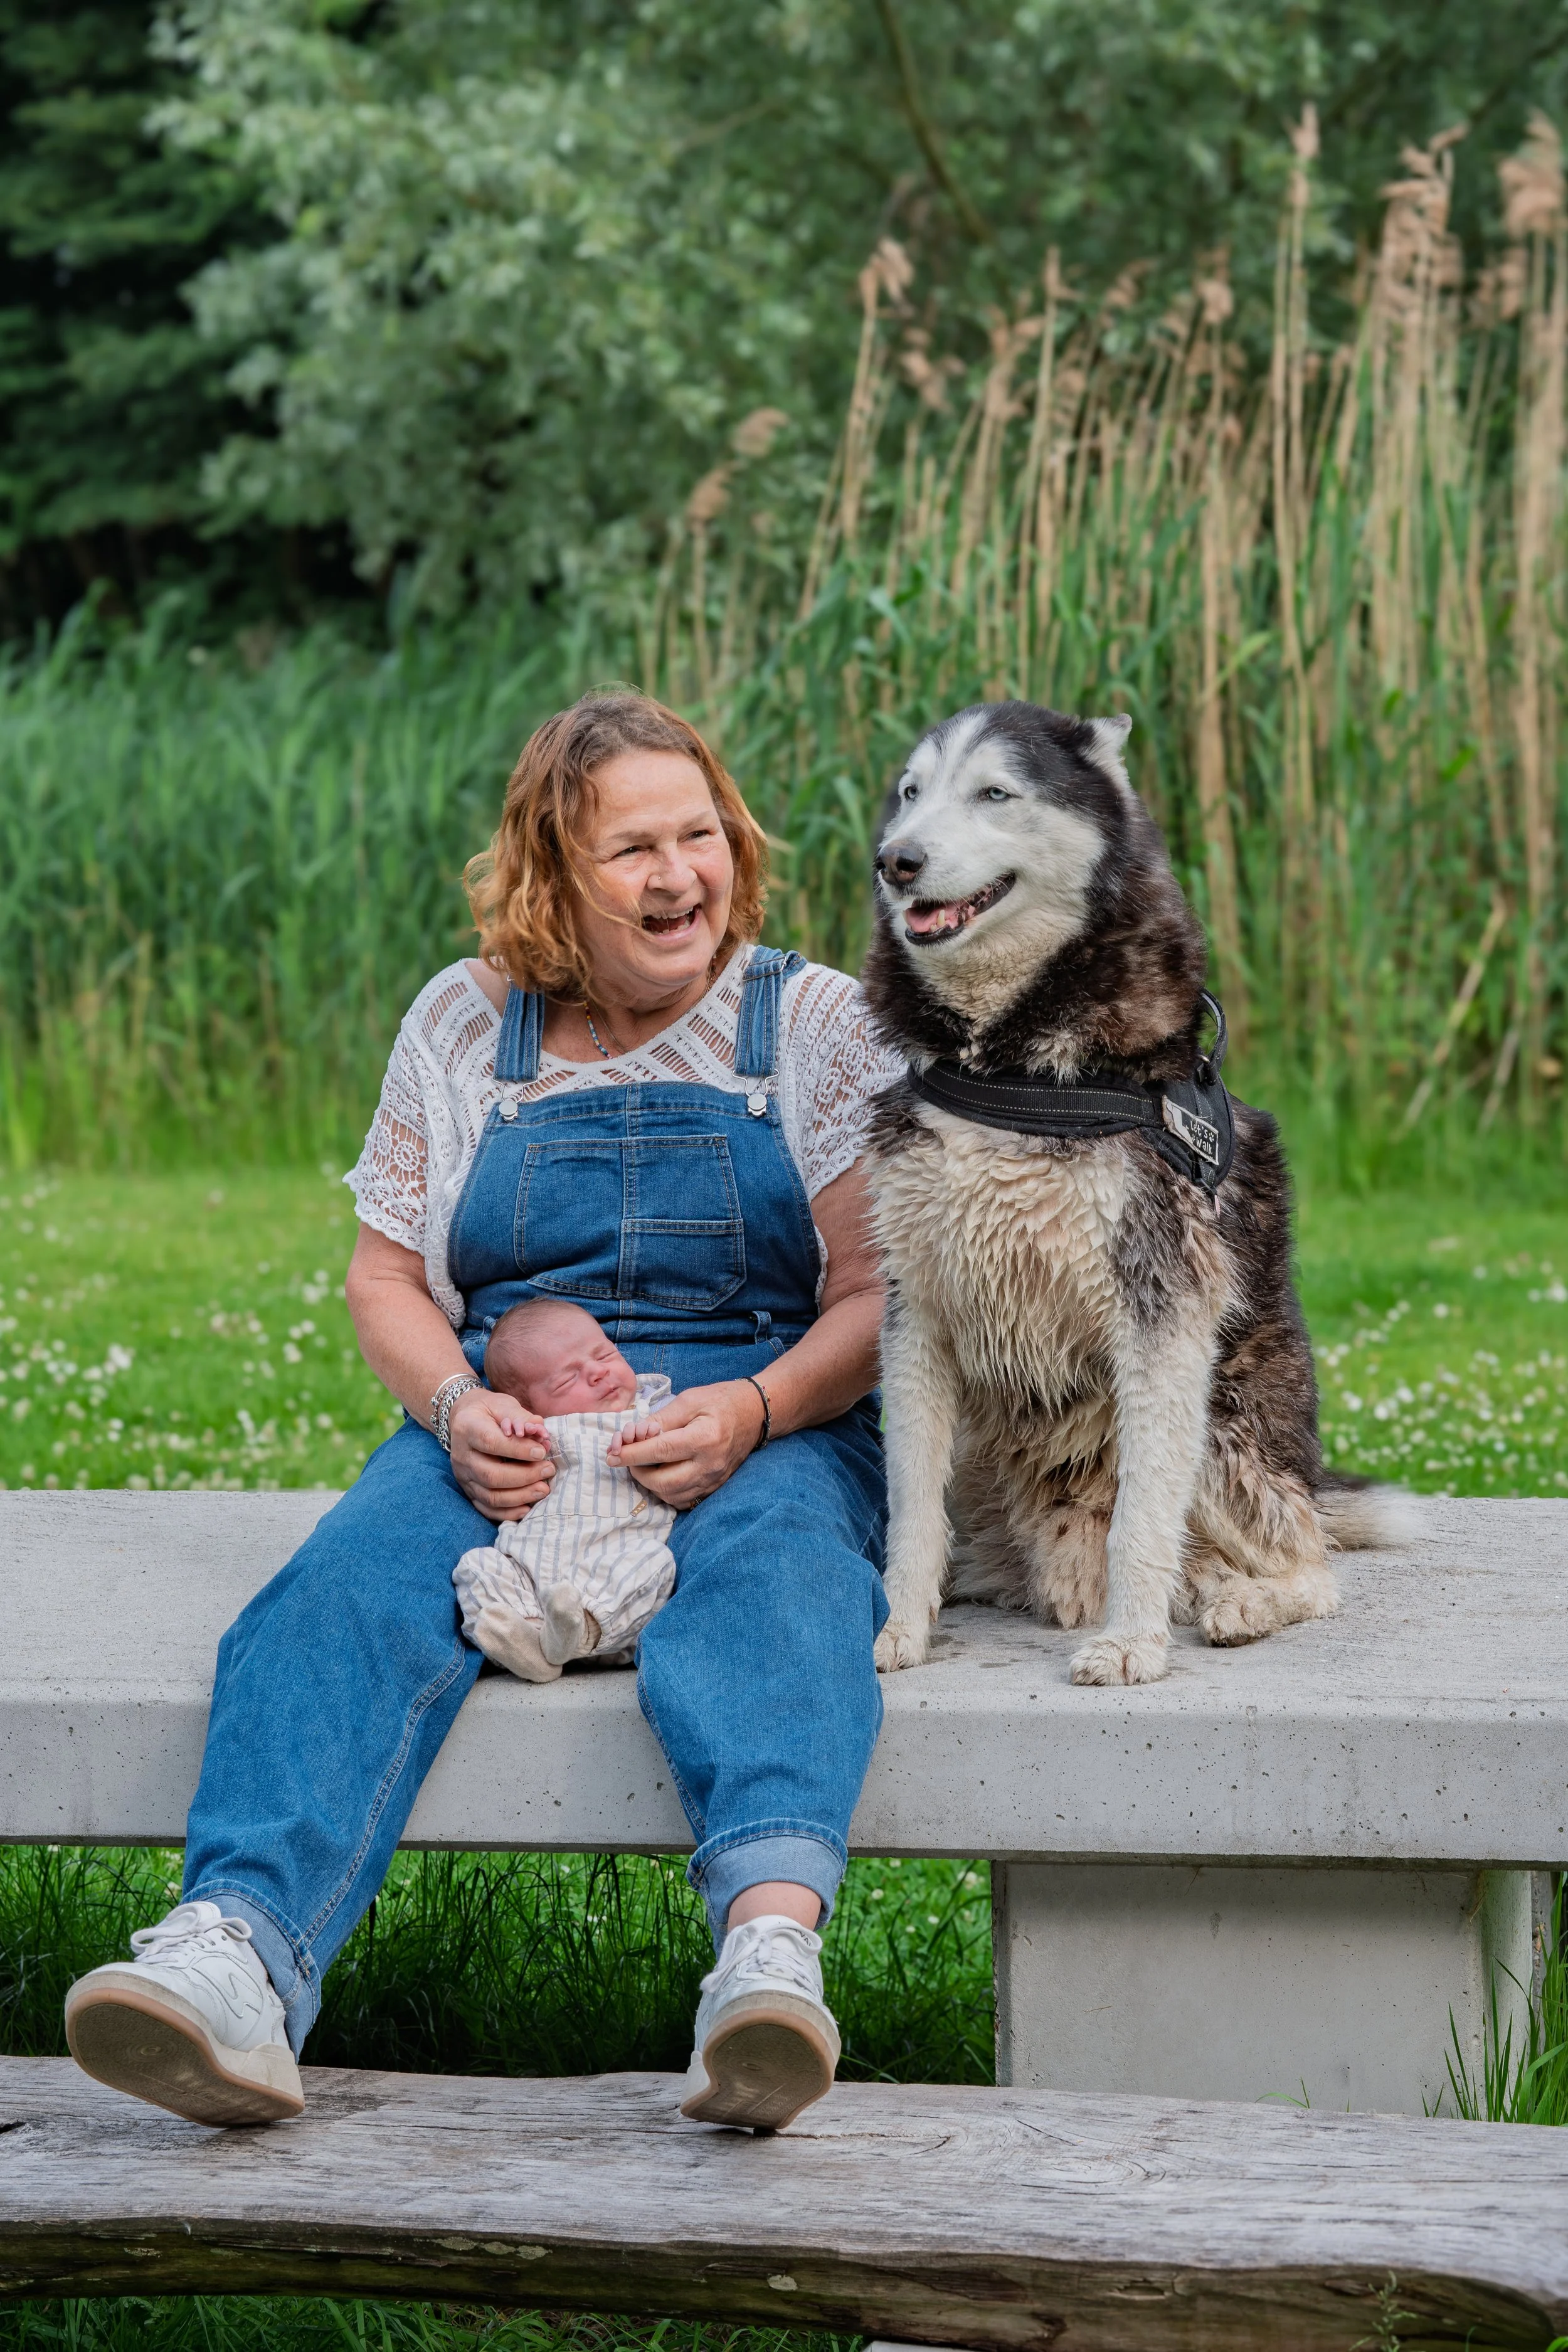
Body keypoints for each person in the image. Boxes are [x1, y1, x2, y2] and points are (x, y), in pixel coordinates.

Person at [64, 688, 901, 2135]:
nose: (678, 875)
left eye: (698, 834)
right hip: (511, 1416)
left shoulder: (809, 1020)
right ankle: (238, 1962)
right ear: (550, 875)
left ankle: (768, 1962)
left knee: (785, 1581)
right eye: (632, 847)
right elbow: (386, 1275)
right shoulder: (468, 1022)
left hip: (756, 1403)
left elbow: (878, 1294)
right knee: (344, 1583)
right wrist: (452, 1405)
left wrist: (758, 1408)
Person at [451, 1296, 678, 1683]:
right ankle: (528, 1642)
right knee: (475, 1567)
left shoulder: (654, 1411)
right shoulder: (536, 1428)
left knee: (654, 1562)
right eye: (566, 1378)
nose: (596, 1372)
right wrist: (514, 1437)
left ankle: (577, 1633)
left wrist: (655, 1440)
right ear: (527, 1405)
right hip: (530, 1573)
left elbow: (689, 1461)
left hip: (613, 1586)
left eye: (604, 1355)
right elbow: (497, 1462)